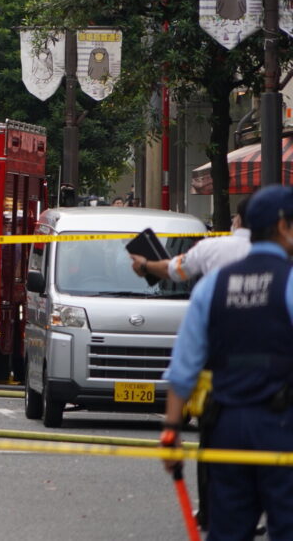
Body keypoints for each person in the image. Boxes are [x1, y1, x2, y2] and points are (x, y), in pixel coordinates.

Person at [160, 184, 293, 541]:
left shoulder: (215, 283)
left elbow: (184, 365)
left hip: (226, 426)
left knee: (229, 528)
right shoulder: (289, 281)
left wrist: (172, 429)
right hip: (281, 425)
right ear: (283, 227)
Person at [131, 198, 250, 284]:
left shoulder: (210, 248)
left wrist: (144, 265)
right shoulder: (268, 250)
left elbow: (172, 270)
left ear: (238, 220)